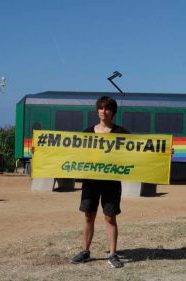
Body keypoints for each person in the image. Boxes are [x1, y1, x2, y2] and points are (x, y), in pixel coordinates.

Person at [70, 96, 129, 268]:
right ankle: (85, 251)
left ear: (113, 112)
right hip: (91, 181)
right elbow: (68, 152)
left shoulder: (121, 132)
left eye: (108, 108)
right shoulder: (87, 132)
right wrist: (40, 150)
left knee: (110, 217)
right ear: (97, 110)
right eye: (101, 108)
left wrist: (164, 151)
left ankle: (112, 254)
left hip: (111, 182)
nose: (104, 111)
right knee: (89, 216)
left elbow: (140, 151)